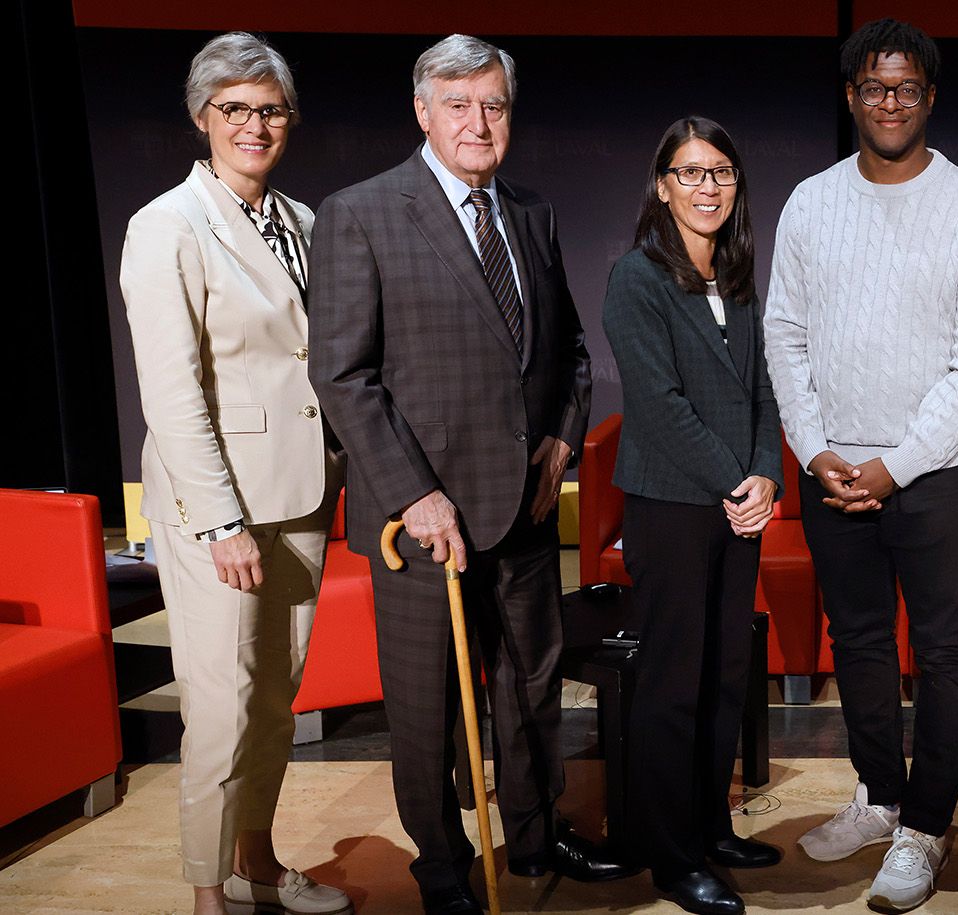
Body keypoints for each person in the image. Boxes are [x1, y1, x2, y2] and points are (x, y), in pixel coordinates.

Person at [308, 34, 630, 915]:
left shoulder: (531, 211)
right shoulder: (362, 212)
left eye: (493, 104)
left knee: (531, 684)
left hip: (523, 507)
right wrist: (415, 493)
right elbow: (341, 374)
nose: (477, 122)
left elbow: (566, 351)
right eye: (457, 104)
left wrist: (563, 442)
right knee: (430, 704)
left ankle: (535, 832)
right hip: (418, 523)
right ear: (422, 112)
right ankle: (441, 864)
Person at [764, 18, 958, 912]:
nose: (890, 103)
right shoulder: (810, 203)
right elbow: (785, 335)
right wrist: (817, 448)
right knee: (860, 642)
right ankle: (879, 796)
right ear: (852, 97)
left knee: (946, 651)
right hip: (831, 468)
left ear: (929, 98)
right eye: (874, 88)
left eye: (907, 88)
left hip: (936, 474)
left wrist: (896, 465)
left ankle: (926, 826)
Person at [120, 31, 349, 915]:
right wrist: (219, 522)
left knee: (273, 703)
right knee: (221, 710)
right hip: (216, 505)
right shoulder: (166, 225)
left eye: (271, 108)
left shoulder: (302, 221)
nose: (255, 125)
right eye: (236, 109)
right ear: (201, 116)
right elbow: (171, 392)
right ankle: (206, 894)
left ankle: (258, 861)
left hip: (298, 491)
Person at [601, 116, 786, 915]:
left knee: (724, 675)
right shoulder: (636, 278)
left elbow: (765, 391)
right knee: (673, 684)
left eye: (722, 173)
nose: (707, 187)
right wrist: (737, 480)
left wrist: (768, 477)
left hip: (736, 509)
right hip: (673, 509)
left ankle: (711, 824)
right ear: (663, 184)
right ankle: (672, 856)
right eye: (691, 172)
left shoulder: (739, 278)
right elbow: (662, 406)